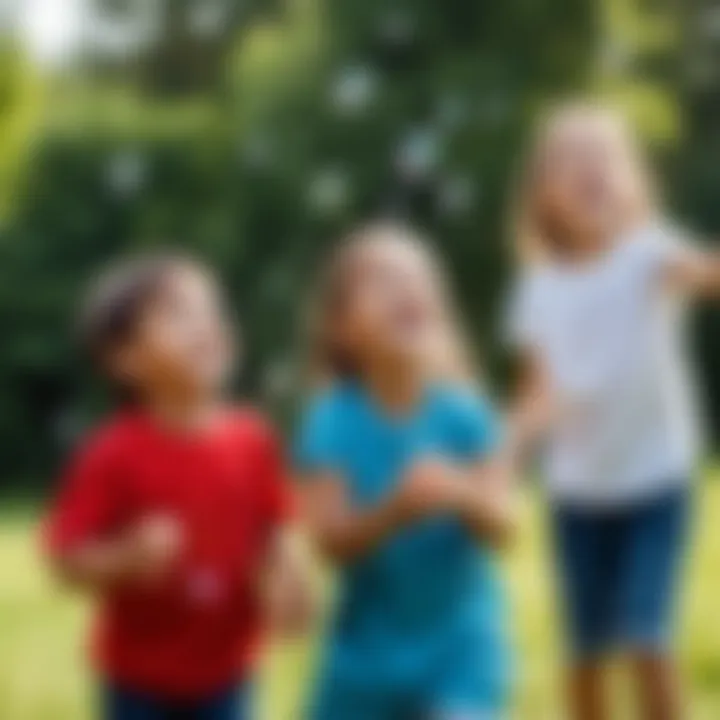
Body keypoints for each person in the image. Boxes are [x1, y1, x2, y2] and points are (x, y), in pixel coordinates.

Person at [507, 102, 720, 720]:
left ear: (633, 181)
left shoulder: (647, 254)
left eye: (604, 159)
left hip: (656, 481)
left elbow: (706, 275)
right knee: (583, 653)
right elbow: (536, 394)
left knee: (645, 637)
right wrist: (505, 456)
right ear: (543, 193)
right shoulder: (538, 286)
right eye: (572, 161)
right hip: (578, 494)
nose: (591, 170)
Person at [43, 253, 312, 720]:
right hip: (138, 681)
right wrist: (126, 556)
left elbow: (274, 536)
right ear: (124, 360)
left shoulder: (253, 440)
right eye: (178, 314)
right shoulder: (112, 452)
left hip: (227, 673)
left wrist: (289, 586)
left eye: (212, 310)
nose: (204, 325)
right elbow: (65, 558)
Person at [294, 223, 516, 720]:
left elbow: (504, 526)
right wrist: (393, 512)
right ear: (342, 328)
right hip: (365, 662)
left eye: (420, 279)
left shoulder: (466, 415)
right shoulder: (331, 421)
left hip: (460, 652)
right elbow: (328, 544)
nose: (407, 289)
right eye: (383, 281)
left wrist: (461, 496)